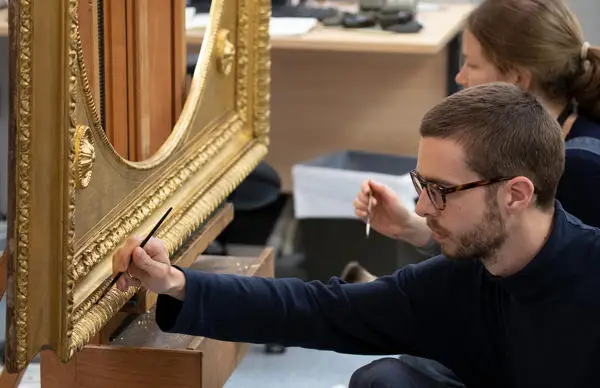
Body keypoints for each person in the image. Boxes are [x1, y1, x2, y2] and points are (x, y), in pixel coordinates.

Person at [113, 83, 600, 387]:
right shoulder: (461, 279)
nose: (422, 207)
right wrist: (177, 282)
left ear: (516, 193)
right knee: (385, 380)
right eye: (420, 185)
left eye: (442, 191)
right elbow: (320, 309)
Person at [351, 0, 600, 275]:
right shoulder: (563, 137)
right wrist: (411, 227)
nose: (460, 77)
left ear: (517, 79)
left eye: (472, 64)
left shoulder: (581, 171)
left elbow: (524, 285)